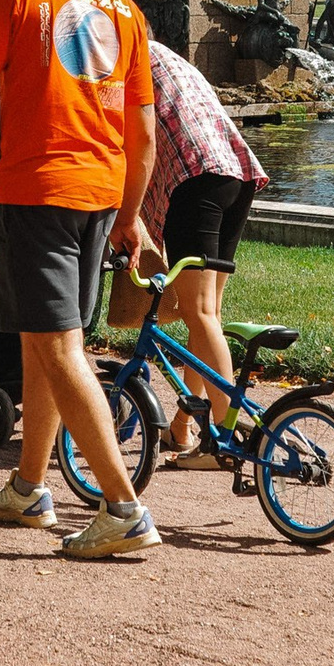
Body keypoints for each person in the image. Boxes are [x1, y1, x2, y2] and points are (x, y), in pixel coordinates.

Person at [0, 0, 162, 559]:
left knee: (60, 348)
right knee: (44, 339)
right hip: (100, 193)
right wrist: (131, 215)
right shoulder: (124, 4)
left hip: (41, 186)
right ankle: (27, 487)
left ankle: (123, 507)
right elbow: (145, 134)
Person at [105, 39, 270, 468]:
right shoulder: (163, 55)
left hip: (192, 176)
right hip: (235, 173)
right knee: (207, 315)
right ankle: (184, 425)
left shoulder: (119, 63)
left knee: (198, 314)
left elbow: (124, 139)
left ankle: (226, 439)